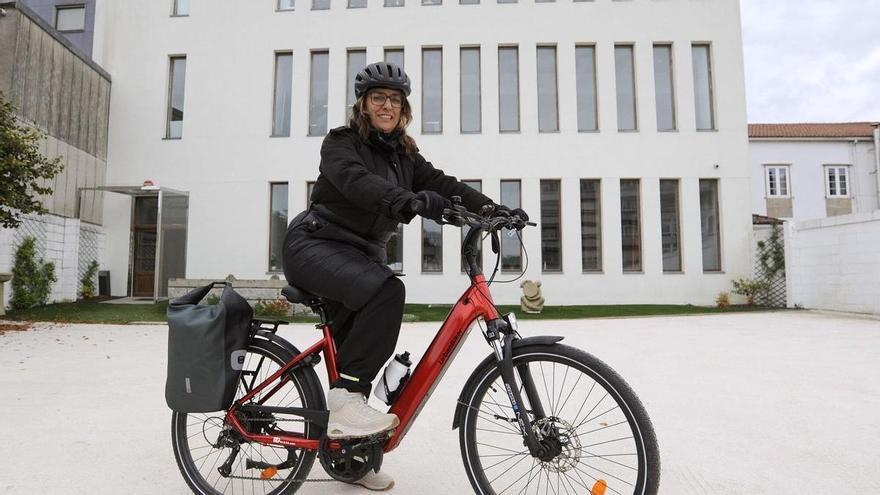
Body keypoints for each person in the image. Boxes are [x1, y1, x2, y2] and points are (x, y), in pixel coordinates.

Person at [281, 61, 527, 490]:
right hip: (315, 246)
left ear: (404, 109)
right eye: (378, 98)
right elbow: (357, 183)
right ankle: (342, 404)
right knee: (387, 293)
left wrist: (493, 209)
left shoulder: (405, 156)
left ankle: (352, 459)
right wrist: (410, 202)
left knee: (360, 344)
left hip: (359, 258)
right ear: (363, 105)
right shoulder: (340, 144)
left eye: (395, 100)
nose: (387, 106)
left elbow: (444, 183)